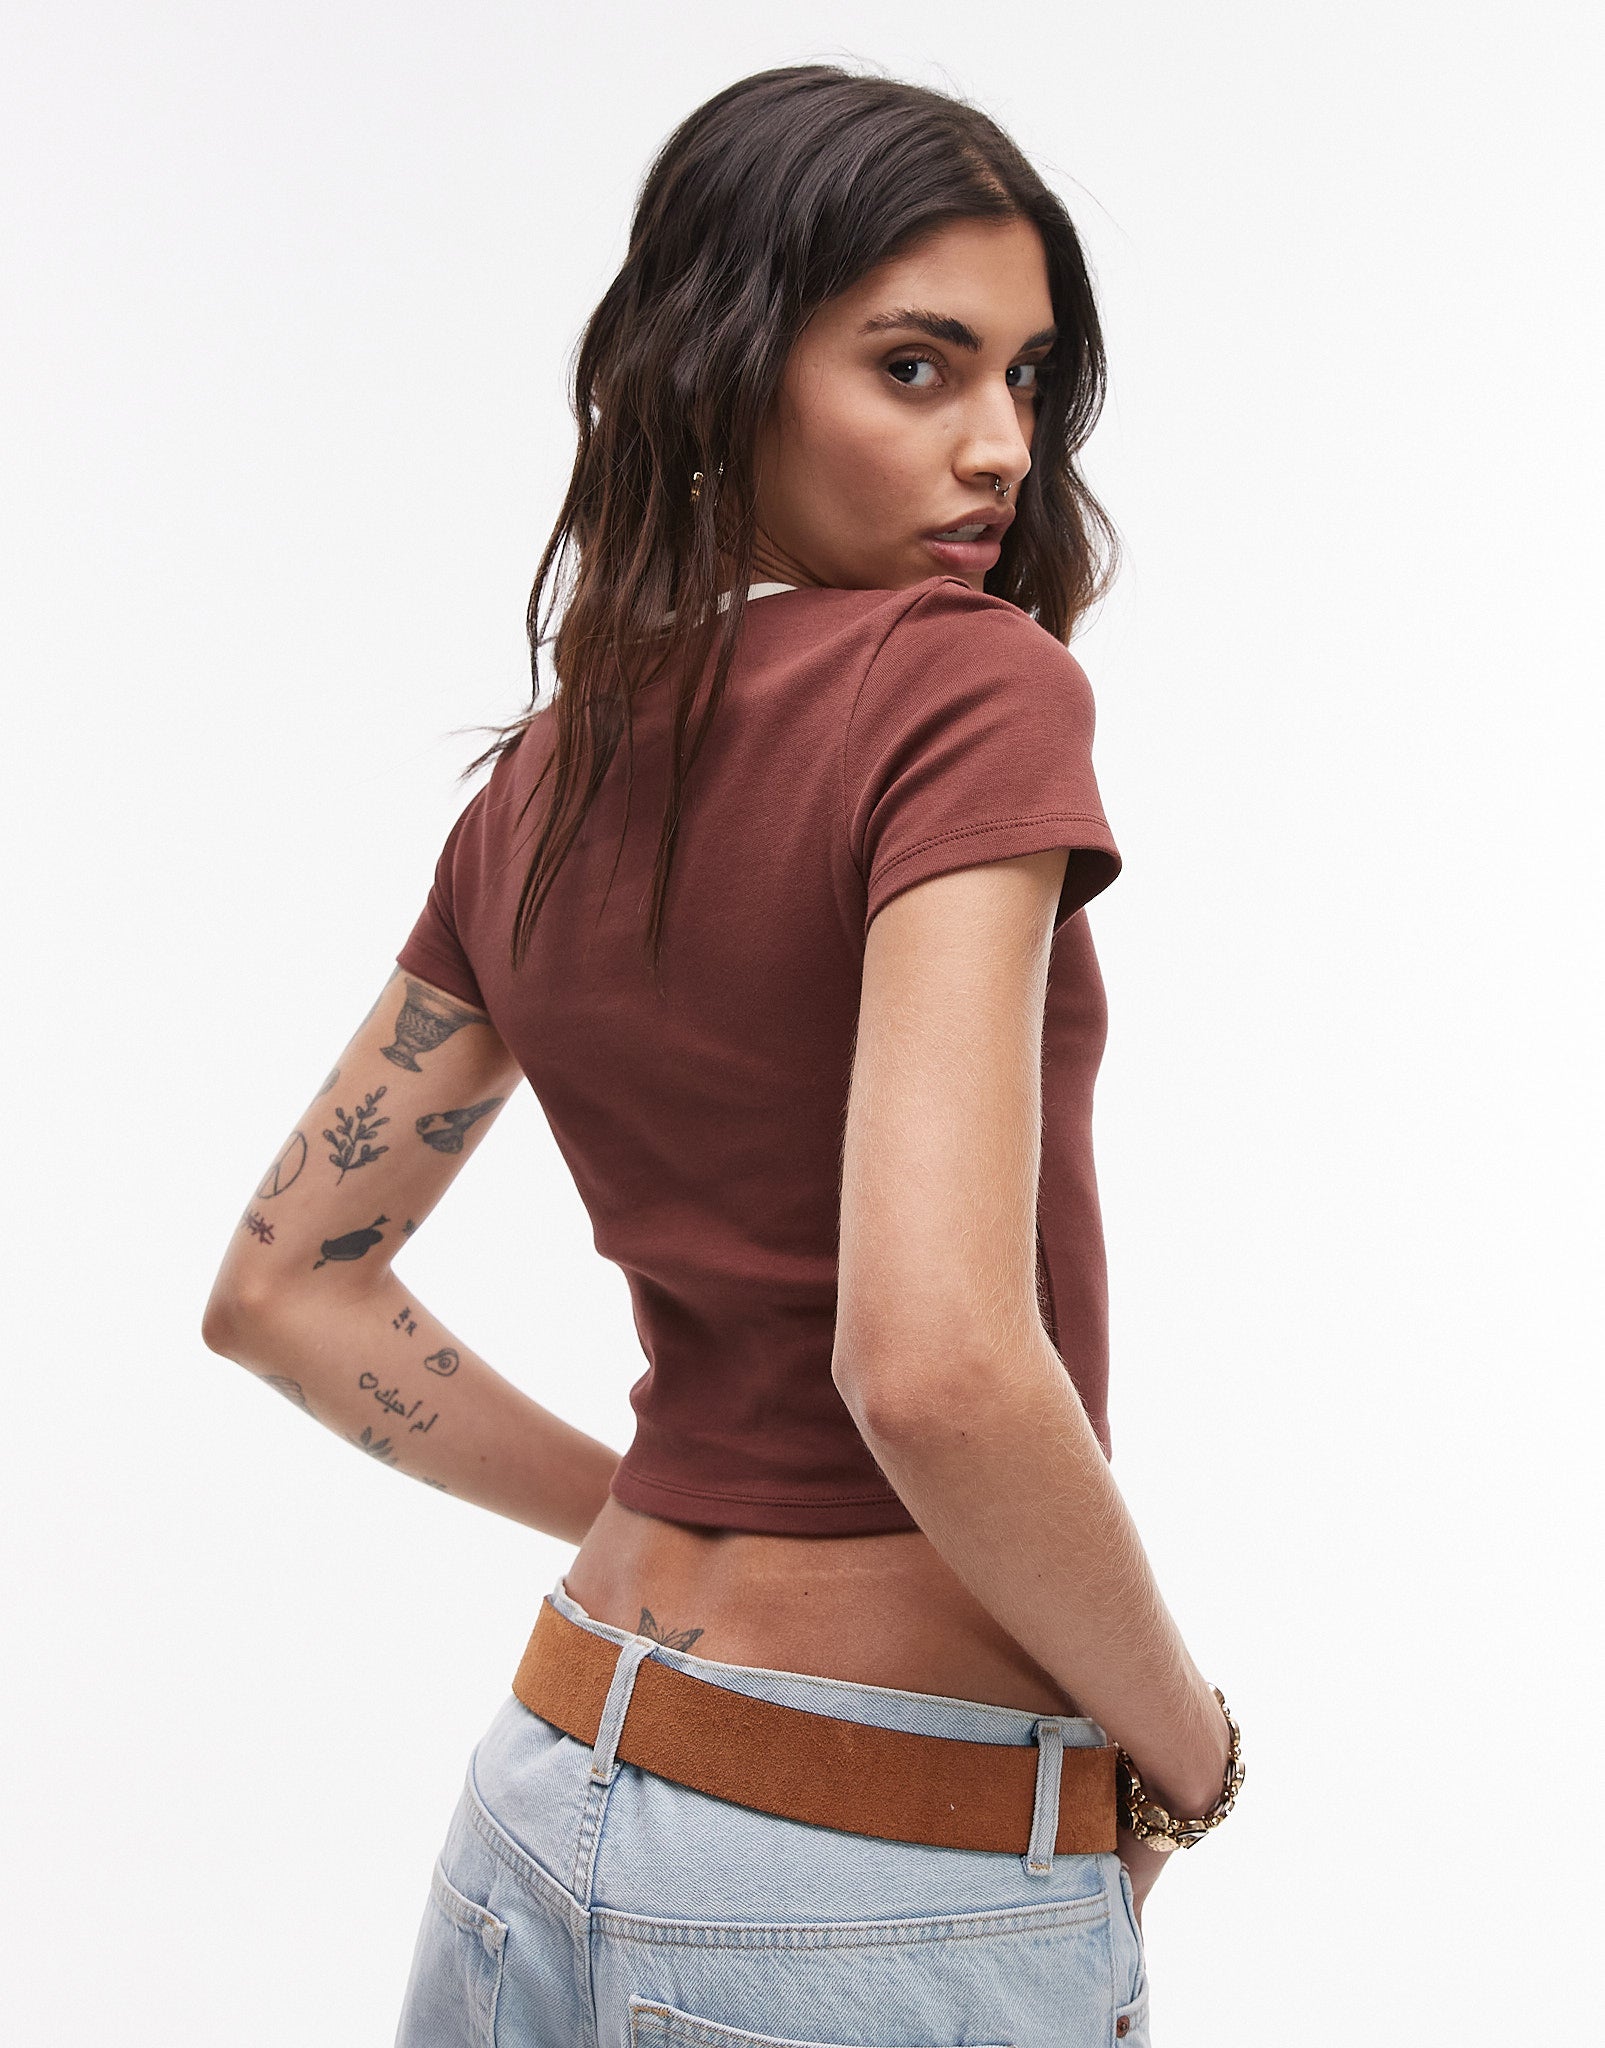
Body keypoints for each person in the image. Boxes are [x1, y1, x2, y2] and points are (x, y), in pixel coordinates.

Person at [202, 63, 1242, 2048]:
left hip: (542, 1785)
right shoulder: (964, 691)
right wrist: (1182, 1753)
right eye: (915, 368)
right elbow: (930, 1364)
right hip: (859, 1876)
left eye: (1027, 380)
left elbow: (284, 1292)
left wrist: (670, 1506)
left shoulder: (541, 783)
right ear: (724, 365)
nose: (998, 447)